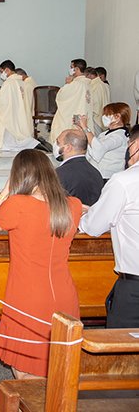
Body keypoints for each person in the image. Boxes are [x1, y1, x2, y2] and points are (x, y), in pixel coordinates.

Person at [0, 149, 82, 378]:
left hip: (28, 295)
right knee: (58, 365)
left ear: (20, 174)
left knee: (26, 372)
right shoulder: (73, 205)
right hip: (64, 293)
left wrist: (4, 193)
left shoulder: (18, 204)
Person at [79, 125, 139, 328]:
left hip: (135, 287)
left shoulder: (124, 181)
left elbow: (93, 226)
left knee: (123, 343)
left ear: (134, 146)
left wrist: (82, 215)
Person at [0, 60, 39, 152]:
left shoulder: (9, 83)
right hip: (18, 112)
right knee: (17, 132)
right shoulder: (21, 82)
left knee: (5, 131)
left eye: (1, 72)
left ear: (7, 70)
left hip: (10, 113)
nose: (1, 74)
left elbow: (4, 102)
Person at [76, 103, 131, 180]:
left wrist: (85, 128)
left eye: (107, 114)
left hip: (106, 177)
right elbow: (92, 148)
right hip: (96, 174)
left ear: (117, 117)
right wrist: (82, 129)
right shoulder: (104, 134)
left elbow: (99, 149)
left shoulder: (120, 136)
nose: (104, 117)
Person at [54, 128, 104, 206]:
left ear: (68, 148)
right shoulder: (96, 173)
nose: (55, 144)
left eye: (58, 142)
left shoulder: (59, 174)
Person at [50, 58, 92, 144]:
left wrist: (67, 84)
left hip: (73, 117)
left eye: (71, 67)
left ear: (76, 69)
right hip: (83, 115)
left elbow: (61, 97)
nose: (70, 70)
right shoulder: (88, 83)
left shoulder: (75, 84)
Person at [86, 67, 111, 134]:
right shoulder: (103, 84)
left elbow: (95, 102)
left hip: (96, 117)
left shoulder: (95, 86)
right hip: (103, 115)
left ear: (90, 75)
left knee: (96, 138)